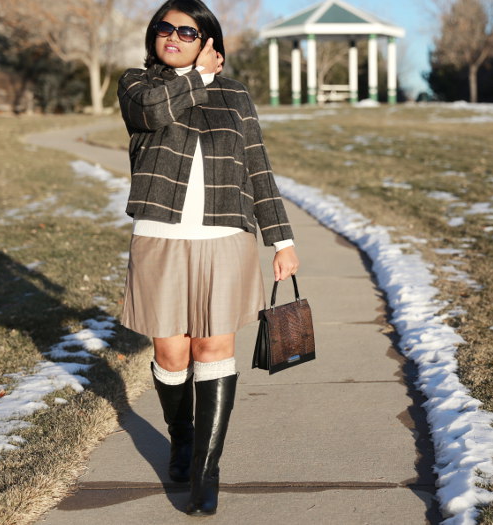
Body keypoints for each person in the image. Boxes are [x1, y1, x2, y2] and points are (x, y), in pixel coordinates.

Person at [116, 0, 299, 516]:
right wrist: (196, 76)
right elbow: (154, 115)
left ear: (208, 41)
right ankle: (182, 437)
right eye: (165, 29)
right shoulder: (138, 84)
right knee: (173, 354)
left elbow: (257, 168)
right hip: (160, 237)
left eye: (188, 31)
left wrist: (281, 240)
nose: (173, 36)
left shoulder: (235, 95)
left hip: (226, 239)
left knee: (213, 348)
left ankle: (205, 470)